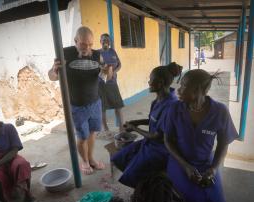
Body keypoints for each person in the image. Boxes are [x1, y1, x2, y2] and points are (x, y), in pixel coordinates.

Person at [164, 69, 238, 202]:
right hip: (179, 161)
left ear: (200, 90)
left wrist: (213, 169)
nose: (179, 90)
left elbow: (223, 144)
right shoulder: (175, 108)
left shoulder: (220, 111)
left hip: (206, 162)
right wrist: (186, 166)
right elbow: (168, 140)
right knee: (194, 200)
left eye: (184, 86)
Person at [111, 62, 182, 188]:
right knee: (119, 158)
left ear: (159, 83)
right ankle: (144, 183)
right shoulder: (158, 100)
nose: (148, 82)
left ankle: (146, 190)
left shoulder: (170, 106)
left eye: (151, 80)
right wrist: (136, 122)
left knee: (131, 173)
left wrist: (134, 128)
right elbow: (153, 120)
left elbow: (157, 136)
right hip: (149, 143)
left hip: (161, 149)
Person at [48, 26, 107, 175]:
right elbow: (52, 76)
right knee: (82, 137)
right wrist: (54, 70)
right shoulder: (65, 53)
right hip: (77, 105)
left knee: (93, 133)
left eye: (90, 44)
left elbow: (104, 72)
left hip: (95, 102)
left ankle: (91, 159)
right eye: (83, 44)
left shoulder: (96, 55)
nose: (87, 48)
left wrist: (107, 70)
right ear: (76, 41)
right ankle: (84, 161)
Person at [98, 33, 124, 133]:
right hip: (101, 84)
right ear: (100, 41)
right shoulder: (97, 53)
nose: (106, 42)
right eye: (104, 40)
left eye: (108, 40)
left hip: (113, 83)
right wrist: (104, 71)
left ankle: (122, 128)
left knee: (118, 105)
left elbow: (119, 64)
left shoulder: (113, 51)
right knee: (102, 108)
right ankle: (106, 129)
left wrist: (114, 72)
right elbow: (96, 66)